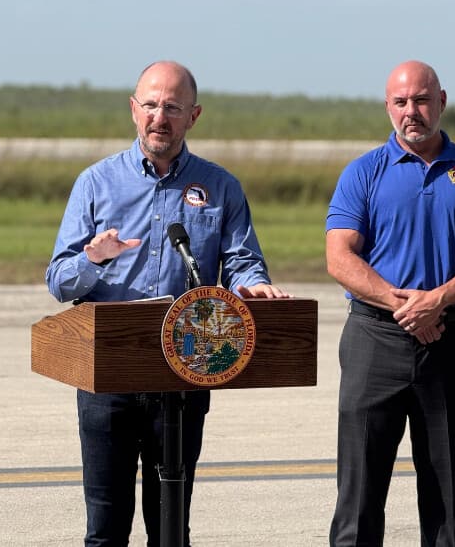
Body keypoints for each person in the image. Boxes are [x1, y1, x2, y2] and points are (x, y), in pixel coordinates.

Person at [46, 60, 289, 546]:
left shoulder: (220, 186)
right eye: (151, 105)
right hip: (107, 374)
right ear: (134, 110)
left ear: (193, 117)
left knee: (172, 526)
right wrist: (93, 259)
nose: (161, 117)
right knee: (106, 527)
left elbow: (241, 261)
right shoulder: (95, 183)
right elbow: (59, 281)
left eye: (173, 108)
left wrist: (252, 286)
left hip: (185, 368)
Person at [326, 60, 455, 546]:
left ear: (441, 101)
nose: (413, 111)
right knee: (359, 497)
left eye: (422, 100)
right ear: (388, 106)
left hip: (447, 342)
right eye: (401, 102)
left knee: (447, 498)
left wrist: (438, 301)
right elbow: (339, 256)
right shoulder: (363, 173)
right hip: (373, 342)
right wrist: (404, 306)